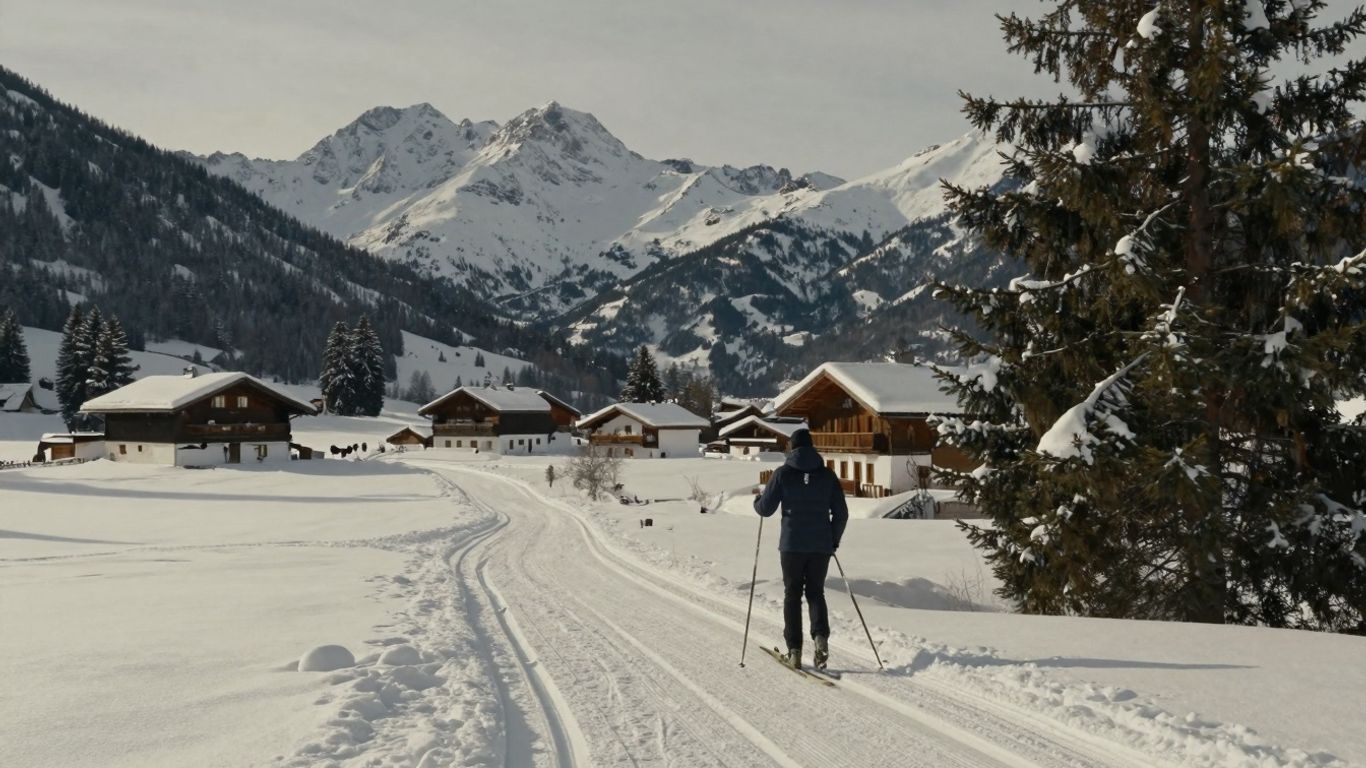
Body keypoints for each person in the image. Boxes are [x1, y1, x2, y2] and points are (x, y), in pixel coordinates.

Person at [753, 428, 848, 671]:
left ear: (792, 448)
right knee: (816, 593)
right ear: (812, 447)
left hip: (792, 545)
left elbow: (766, 509)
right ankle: (820, 639)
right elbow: (841, 513)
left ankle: (794, 650)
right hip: (820, 545)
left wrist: (757, 500)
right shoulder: (827, 475)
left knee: (792, 594)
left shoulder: (783, 474)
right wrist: (833, 540)